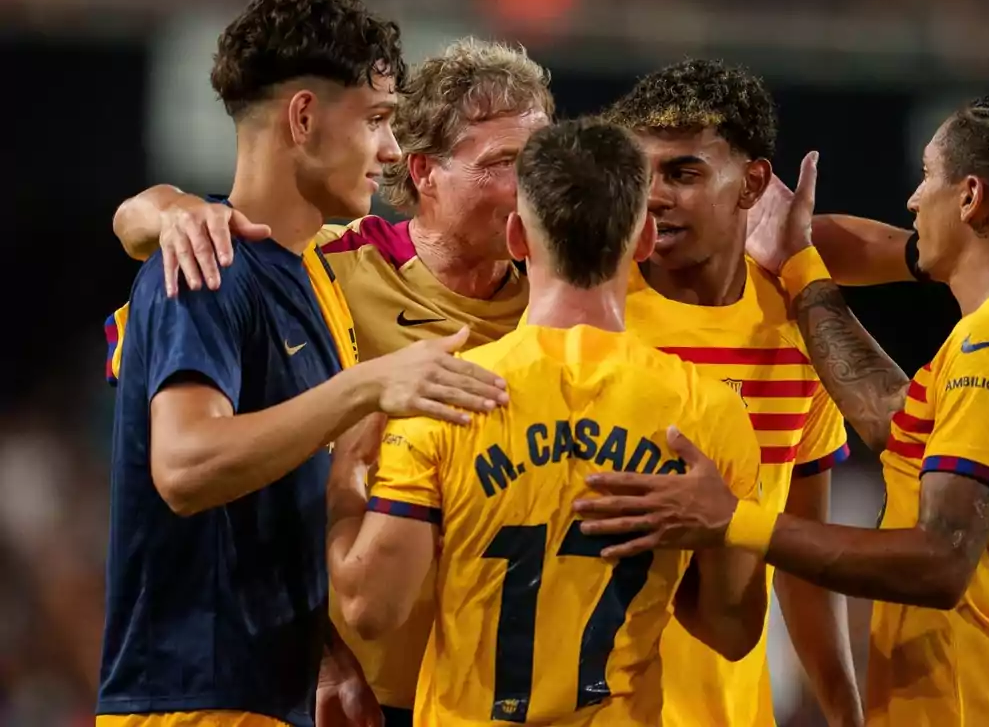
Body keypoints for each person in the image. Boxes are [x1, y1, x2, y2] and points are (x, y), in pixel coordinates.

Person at [108, 52, 910, 727]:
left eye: (537, 164)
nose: (528, 184)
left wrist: (902, 254)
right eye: (503, 166)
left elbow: (784, 237)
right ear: (424, 174)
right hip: (368, 689)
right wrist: (170, 211)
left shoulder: (564, 302)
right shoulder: (330, 267)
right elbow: (197, 399)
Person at [576, 92, 989, 726]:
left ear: (970, 197)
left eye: (926, 177)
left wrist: (733, 519)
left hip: (976, 703)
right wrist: (802, 264)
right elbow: (897, 424)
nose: (914, 200)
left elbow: (939, 562)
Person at [97, 0, 508, 727]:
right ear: (305, 117)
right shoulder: (203, 263)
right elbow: (185, 467)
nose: (391, 150)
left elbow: (279, 498)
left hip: (270, 699)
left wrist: (326, 651)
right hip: (191, 703)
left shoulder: (314, 274)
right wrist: (368, 388)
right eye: (378, 120)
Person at [328, 118, 768, 724]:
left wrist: (346, 479)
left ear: (516, 236)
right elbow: (733, 632)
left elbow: (370, 609)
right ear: (642, 238)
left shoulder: (444, 397)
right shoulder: (709, 415)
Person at [604, 59, 873, 727]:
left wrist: (843, 709)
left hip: (731, 709)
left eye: (683, 172)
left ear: (752, 183)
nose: (655, 196)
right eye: (642, 175)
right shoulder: (593, 314)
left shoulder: (795, 333)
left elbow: (801, 554)